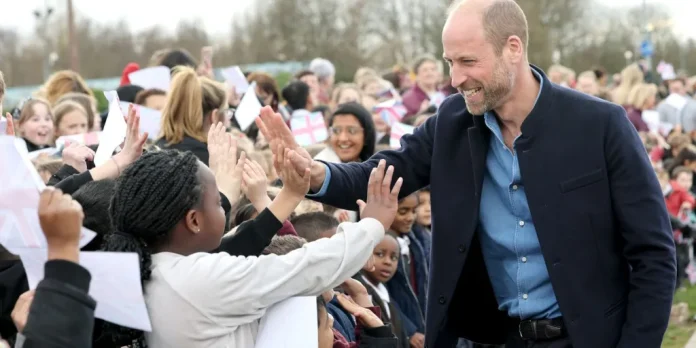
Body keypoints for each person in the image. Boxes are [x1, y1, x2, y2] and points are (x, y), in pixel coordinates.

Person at [256, 0, 676, 347]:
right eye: (449, 62)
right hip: (493, 339)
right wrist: (316, 176)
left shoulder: (600, 126)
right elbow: (384, 172)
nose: (455, 78)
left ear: (514, 48)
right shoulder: (452, 122)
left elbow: (654, 254)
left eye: (468, 61)